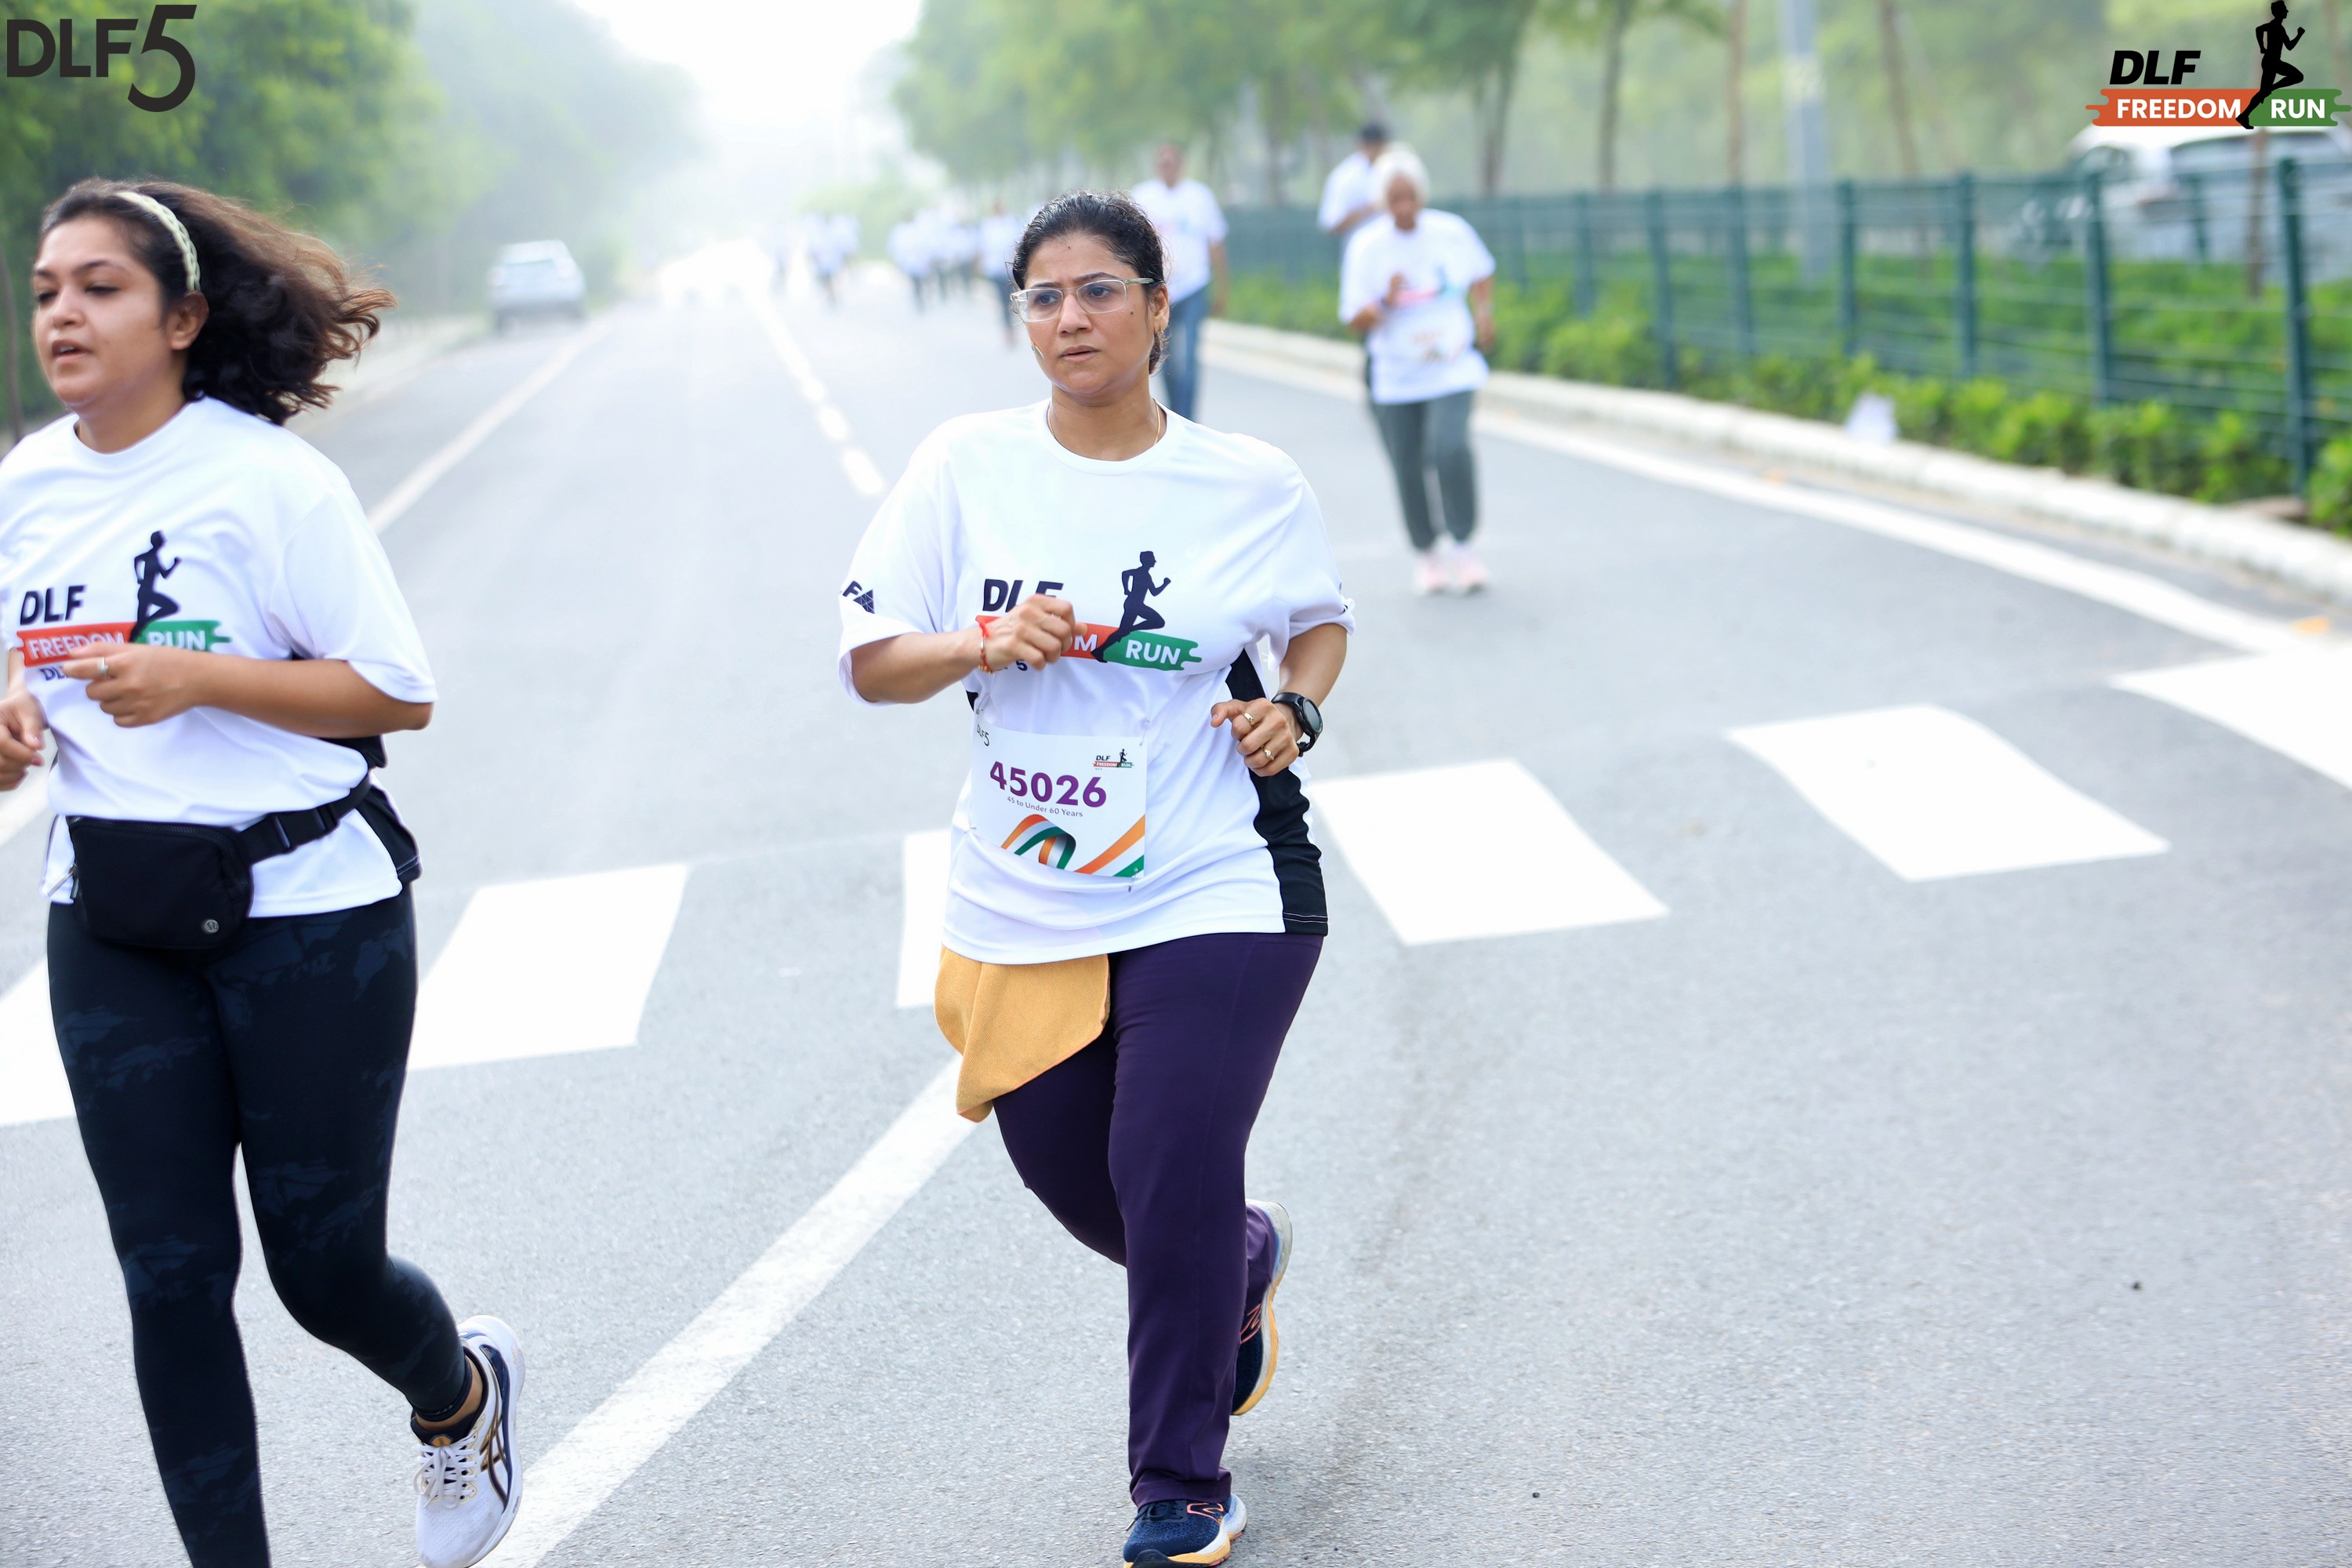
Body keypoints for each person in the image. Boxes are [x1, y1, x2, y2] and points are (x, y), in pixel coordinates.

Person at [0, 180, 522, 1568]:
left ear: (181, 319)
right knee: (170, 1280)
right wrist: (11, 720)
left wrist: (201, 678)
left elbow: (398, 693)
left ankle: (460, 1395)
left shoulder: (271, 482)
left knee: (324, 1273)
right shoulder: (26, 484)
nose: (62, 313)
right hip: (113, 919)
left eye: (99, 287)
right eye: (46, 290)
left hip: (309, 917)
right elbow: (29, 669)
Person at [837, 190, 1351, 1567]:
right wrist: (982, 642)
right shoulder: (965, 466)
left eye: (1100, 290)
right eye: (1045, 298)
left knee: (1168, 1164)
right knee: (1081, 1180)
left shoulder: (1249, 480)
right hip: (1031, 889)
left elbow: (1319, 624)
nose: (1072, 318)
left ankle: (1179, 1482)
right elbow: (873, 661)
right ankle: (1240, 1262)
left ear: (1158, 308)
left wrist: (1294, 711)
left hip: (1218, 872)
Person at [1340, 146, 1497, 595]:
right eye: (1395, 199)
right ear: (1381, 202)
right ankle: (1427, 553)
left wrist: (1484, 314)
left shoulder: (1451, 232)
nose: (1404, 206)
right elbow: (1354, 318)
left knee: (1450, 448)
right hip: (1397, 376)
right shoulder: (1367, 247)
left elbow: (1482, 271)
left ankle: (1463, 545)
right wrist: (1385, 301)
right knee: (1407, 463)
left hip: (1451, 367)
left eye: (1411, 196)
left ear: (1422, 194)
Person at [1131, 144, 1229, 423]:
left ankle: (1189, 419)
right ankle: (1175, 415)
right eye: (1163, 162)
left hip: (1194, 285)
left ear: (1181, 164)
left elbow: (1215, 243)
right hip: (1160, 290)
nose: (1168, 167)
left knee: (1189, 357)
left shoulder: (1200, 197)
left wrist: (1223, 288)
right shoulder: (1144, 197)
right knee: (1165, 356)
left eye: (1172, 162)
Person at [1316, 122, 1390, 238]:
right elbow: (1332, 224)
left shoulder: (1393, 169)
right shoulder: (1344, 177)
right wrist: (1370, 209)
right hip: (1358, 246)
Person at [2239, 1, 2305, 128]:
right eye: (2284, 9)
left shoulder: (2279, 27)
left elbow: (2289, 46)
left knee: (2264, 92)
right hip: (2271, 61)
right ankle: (2245, 115)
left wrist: (2299, 35)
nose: (2287, 11)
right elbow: (2259, 29)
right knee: (2297, 76)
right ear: (2279, 12)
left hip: (2273, 61)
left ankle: (2244, 115)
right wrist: (2262, 47)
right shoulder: (2275, 26)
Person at [981, 201, 1029, 347]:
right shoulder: (989, 225)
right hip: (996, 270)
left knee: (1012, 300)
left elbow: (1018, 244)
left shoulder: (1011, 223)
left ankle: (1014, 328)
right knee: (1002, 302)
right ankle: (1008, 330)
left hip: (1010, 270)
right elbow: (985, 247)